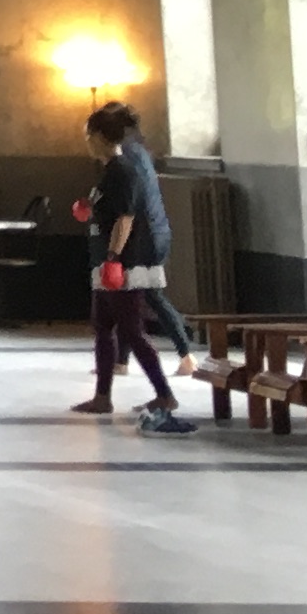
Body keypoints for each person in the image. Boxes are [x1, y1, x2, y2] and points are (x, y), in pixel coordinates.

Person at [75, 99, 189, 434]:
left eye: (88, 135)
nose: (86, 141)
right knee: (102, 326)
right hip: (105, 260)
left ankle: (165, 394)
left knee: (131, 331)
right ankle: (102, 396)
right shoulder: (108, 171)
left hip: (125, 264)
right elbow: (109, 210)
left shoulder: (123, 170)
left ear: (99, 136)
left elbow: (125, 218)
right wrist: (88, 208)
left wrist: (113, 258)